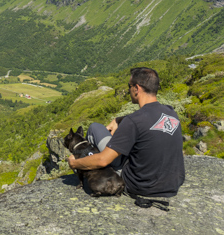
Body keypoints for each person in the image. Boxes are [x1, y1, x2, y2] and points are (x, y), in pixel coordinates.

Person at [67, 67, 185, 202]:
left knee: (94, 128)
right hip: (173, 184)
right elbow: (148, 119)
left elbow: (103, 160)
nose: (129, 90)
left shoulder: (133, 121)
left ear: (136, 88)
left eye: (129, 86)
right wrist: (118, 120)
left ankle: (96, 176)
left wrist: (75, 163)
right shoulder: (170, 112)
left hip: (140, 186)